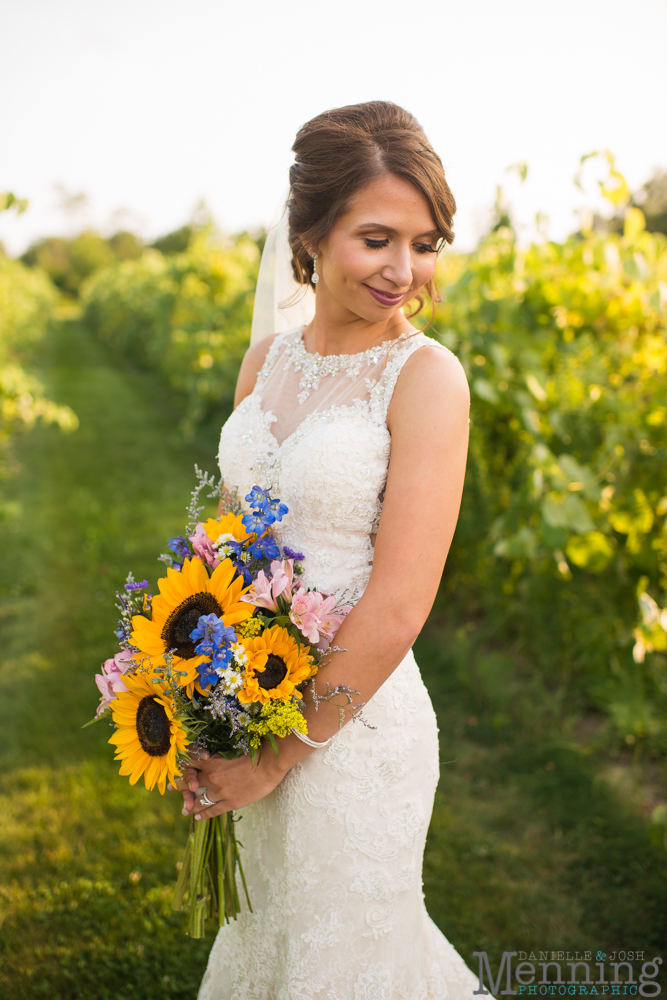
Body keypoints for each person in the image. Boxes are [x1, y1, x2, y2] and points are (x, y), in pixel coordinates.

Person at [175, 101, 477, 999]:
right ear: (308, 235)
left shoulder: (425, 378)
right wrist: (202, 697)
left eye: (424, 244)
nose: (404, 270)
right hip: (252, 696)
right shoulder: (263, 361)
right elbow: (231, 545)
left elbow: (399, 603)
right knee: (268, 937)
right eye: (376, 239)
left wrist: (274, 758)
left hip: (356, 731)